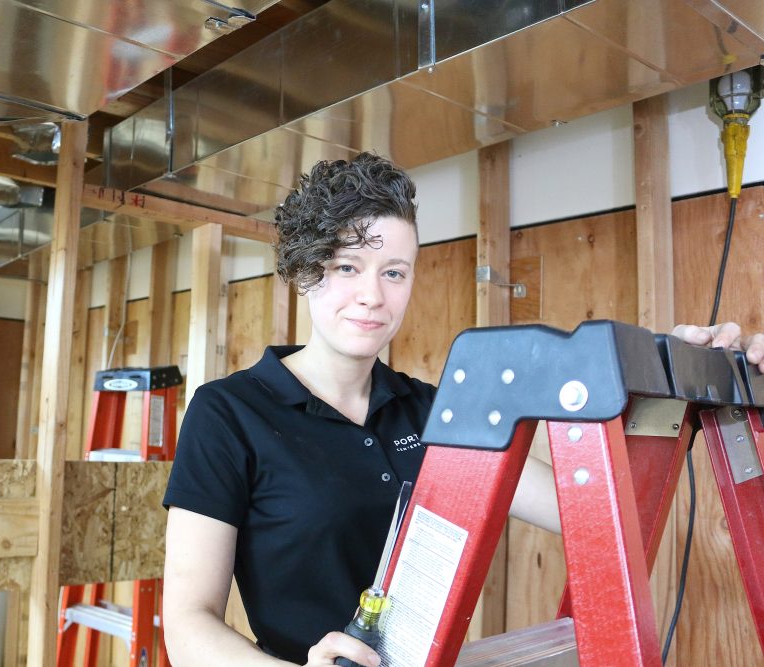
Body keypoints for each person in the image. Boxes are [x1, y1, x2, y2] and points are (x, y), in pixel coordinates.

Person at [161, 153, 764, 667]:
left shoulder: (427, 410)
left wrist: (668, 380)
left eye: (394, 272)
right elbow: (188, 624)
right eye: (348, 267)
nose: (373, 295)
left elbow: (580, 508)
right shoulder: (230, 413)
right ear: (304, 272)